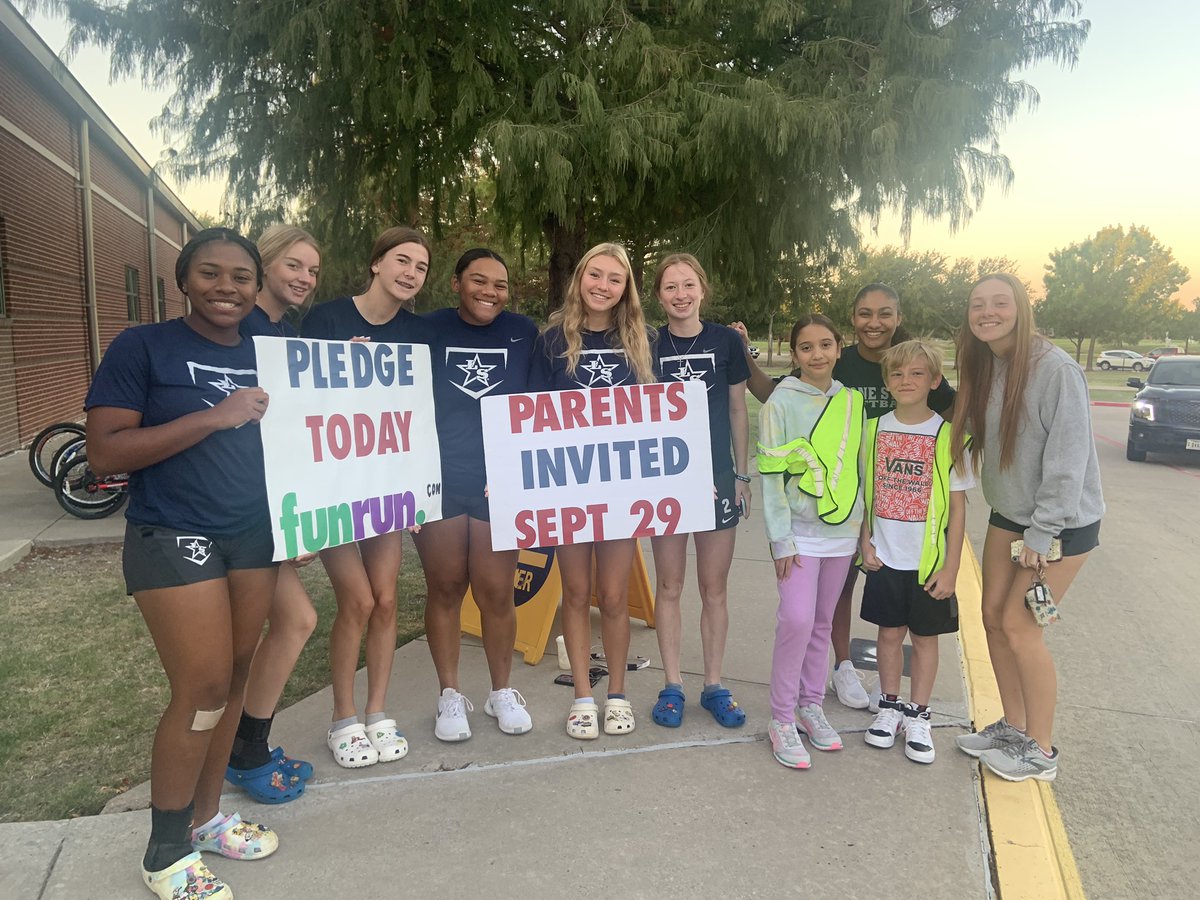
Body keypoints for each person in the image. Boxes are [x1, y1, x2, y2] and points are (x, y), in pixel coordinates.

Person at [85, 228, 280, 900]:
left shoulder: (270, 353)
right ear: (183, 279)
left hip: (253, 535)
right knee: (200, 686)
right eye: (210, 274)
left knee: (234, 674)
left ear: (258, 287)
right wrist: (215, 417)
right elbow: (106, 453)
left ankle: (204, 819)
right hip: (173, 532)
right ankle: (165, 853)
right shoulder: (143, 347)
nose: (226, 288)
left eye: (241, 277)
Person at [735, 284, 955, 710]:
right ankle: (838, 670)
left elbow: (950, 410)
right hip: (815, 514)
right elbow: (771, 398)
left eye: (885, 314)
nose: (875, 322)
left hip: (881, 506)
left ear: (897, 316)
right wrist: (743, 350)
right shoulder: (826, 376)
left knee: (883, 602)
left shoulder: (907, 364)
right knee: (820, 606)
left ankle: (862, 693)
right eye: (865, 314)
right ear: (852, 322)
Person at [951, 273, 1102, 782]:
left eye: (999, 302)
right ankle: (1013, 728)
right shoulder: (988, 364)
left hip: (1058, 525)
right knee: (992, 617)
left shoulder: (1055, 369)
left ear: (1020, 307)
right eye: (977, 304)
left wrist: (1041, 536)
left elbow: (1068, 462)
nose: (987, 312)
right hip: (1009, 514)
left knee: (1021, 627)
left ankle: (1041, 751)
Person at [301, 226, 434, 768]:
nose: (410, 273)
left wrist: (420, 491)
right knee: (355, 601)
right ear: (376, 263)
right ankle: (342, 717)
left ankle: (376, 712)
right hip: (334, 486)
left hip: (385, 485)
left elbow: (417, 417)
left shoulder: (418, 334)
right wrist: (338, 365)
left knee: (385, 600)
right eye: (401, 260)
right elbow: (298, 405)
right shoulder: (327, 319)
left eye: (421, 267)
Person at [529, 242, 655, 740]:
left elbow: (665, 416)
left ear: (627, 288)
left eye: (615, 279)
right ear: (580, 277)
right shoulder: (550, 340)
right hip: (567, 486)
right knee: (577, 594)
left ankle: (618, 694)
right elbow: (529, 414)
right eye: (595, 275)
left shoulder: (644, 340)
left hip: (621, 490)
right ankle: (583, 694)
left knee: (615, 596)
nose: (603, 286)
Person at [414, 248, 539, 740]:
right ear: (455, 282)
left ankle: (500, 691)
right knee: (445, 588)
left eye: (500, 284)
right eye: (478, 281)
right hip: (440, 480)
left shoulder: (524, 332)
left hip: (498, 481)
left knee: (495, 593)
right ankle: (449, 696)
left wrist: (516, 468)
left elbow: (538, 402)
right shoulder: (426, 329)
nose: (490, 292)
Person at [222, 225, 322, 802]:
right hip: (233, 511)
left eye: (312, 269)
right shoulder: (239, 332)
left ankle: (246, 747)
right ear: (265, 263)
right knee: (252, 639)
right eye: (294, 265)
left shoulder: (285, 332)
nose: (305, 278)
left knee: (294, 621)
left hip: (267, 510)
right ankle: (239, 751)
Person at [647, 253, 751, 729]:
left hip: (718, 480)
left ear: (702, 289)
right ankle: (673, 685)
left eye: (688, 285)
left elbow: (737, 410)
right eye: (671, 287)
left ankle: (714, 684)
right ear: (658, 295)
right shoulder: (646, 344)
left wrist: (741, 475)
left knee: (714, 589)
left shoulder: (727, 341)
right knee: (669, 586)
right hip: (665, 482)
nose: (681, 294)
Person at [757, 314, 865, 769]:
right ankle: (781, 717)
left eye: (825, 344)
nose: (816, 354)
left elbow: (861, 470)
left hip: (842, 532)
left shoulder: (853, 401)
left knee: (823, 622)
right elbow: (772, 477)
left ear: (840, 348)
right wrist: (780, 540)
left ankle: (810, 703)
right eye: (806, 347)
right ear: (793, 352)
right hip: (799, 535)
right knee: (796, 621)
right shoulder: (779, 403)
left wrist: (866, 532)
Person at [858, 340, 973, 764]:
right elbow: (865, 495)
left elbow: (958, 509)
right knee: (888, 635)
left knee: (924, 639)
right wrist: (865, 540)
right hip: (886, 556)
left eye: (917, 374)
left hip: (928, 564)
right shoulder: (873, 430)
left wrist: (951, 566)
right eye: (898, 374)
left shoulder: (947, 436)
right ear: (887, 382)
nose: (907, 381)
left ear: (935, 380)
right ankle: (889, 706)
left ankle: (918, 714)